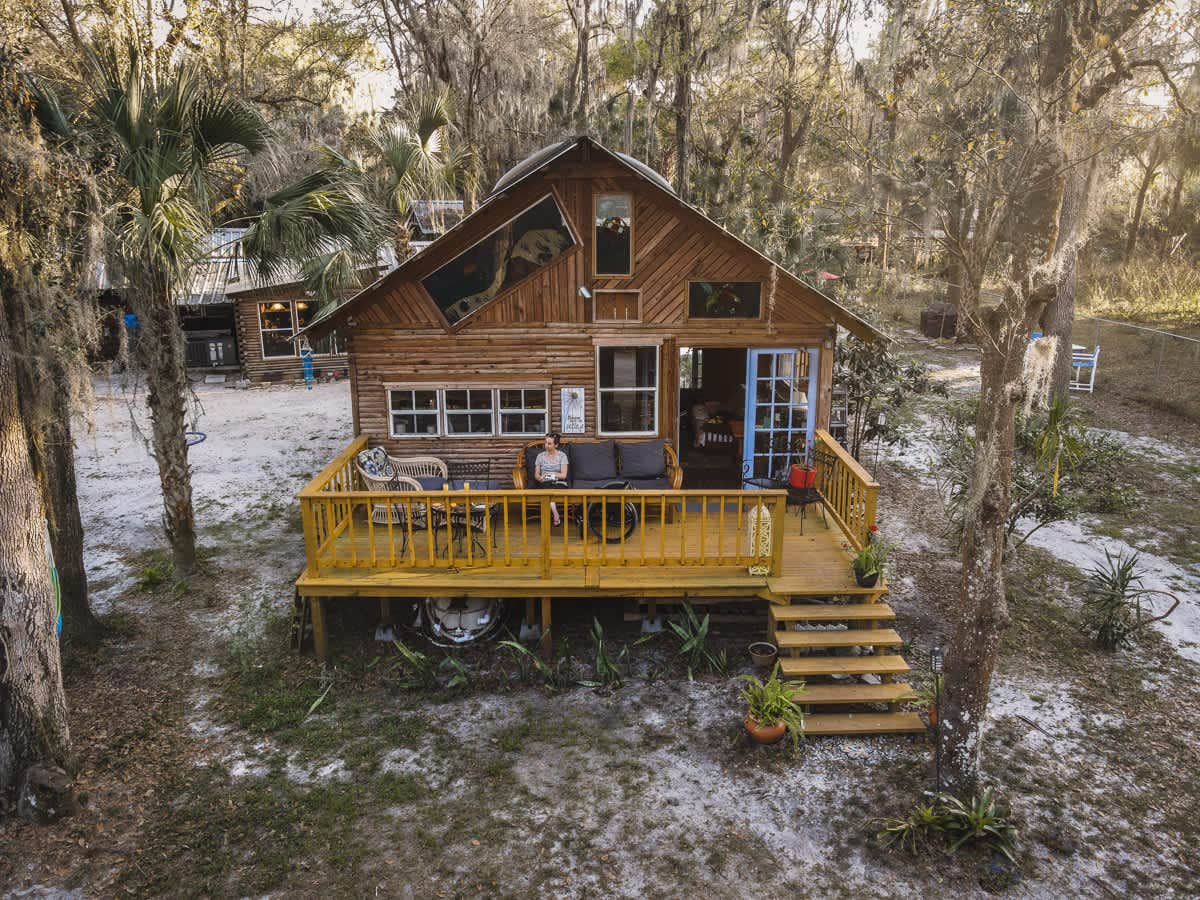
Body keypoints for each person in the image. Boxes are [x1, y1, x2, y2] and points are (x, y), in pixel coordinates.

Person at [533, 432, 569, 526]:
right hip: (544, 483)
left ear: (556, 445)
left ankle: (550, 519)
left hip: (559, 483)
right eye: (545, 443)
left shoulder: (562, 456)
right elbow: (536, 474)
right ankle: (556, 515)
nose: (546, 445)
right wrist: (539, 478)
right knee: (547, 490)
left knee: (550, 493)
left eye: (549, 444)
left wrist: (549, 475)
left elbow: (563, 475)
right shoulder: (540, 456)